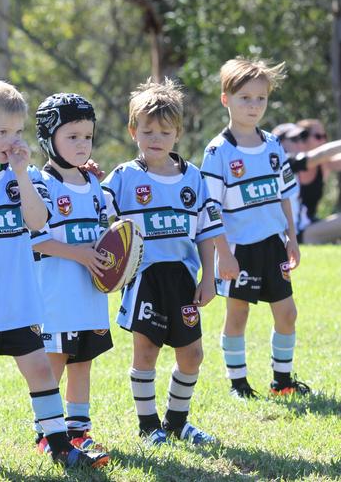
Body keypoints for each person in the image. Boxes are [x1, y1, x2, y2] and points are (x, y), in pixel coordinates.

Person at [0, 79, 109, 472]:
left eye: (17, 131)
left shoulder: (27, 176)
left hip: (19, 299)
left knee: (38, 369)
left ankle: (60, 445)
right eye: (1, 132)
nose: (11, 140)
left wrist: (19, 175)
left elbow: (38, 221)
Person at [102, 78, 235, 445]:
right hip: (144, 277)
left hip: (182, 277)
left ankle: (177, 423)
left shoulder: (192, 177)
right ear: (133, 132)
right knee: (146, 352)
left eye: (164, 131)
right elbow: (98, 218)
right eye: (147, 131)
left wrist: (209, 277)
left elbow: (206, 231)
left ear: (177, 133)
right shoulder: (124, 178)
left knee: (192, 354)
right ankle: (148, 427)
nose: (155, 138)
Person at [201, 57, 310, 399]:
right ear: (226, 99)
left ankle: (282, 380)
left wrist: (291, 238)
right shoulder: (218, 151)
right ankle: (238, 383)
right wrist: (223, 255)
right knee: (238, 313)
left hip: (273, 245)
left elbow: (285, 195)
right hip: (238, 249)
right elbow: (211, 208)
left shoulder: (274, 145)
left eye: (260, 98)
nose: (253, 105)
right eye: (244, 97)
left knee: (288, 313)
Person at [30, 93, 111, 453]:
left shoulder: (94, 184)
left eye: (87, 137)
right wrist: (78, 254)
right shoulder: (40, 183)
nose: (82, 145)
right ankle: (46, 432)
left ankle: (79, 430)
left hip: (90, 293)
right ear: (48, 139)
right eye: (72, 137)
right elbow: (36, 241)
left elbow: (109, 234)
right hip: (57, 296)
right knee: (54, 363)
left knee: (83, 362)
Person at [275, 121, 341, 244]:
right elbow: (319, 155)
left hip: (305, 228)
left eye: (302, 138)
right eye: (295, 139)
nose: (301, 143)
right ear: (280, 142)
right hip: (297, 235)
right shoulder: (282, 162)